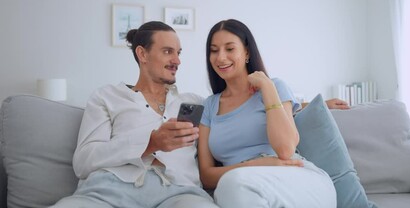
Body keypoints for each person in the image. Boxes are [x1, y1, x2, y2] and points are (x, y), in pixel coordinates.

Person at [50, 21, 218, 208]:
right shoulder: (107, 97)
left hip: (179, 193)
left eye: (178, 53)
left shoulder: (196, 103)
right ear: (142, 54)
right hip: (110, 191)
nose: (177, 61)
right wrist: (150, 143)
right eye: (168, 51)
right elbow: (83, 162)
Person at [198, 19, 338, 208]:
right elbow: (206, 176)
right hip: (241, 184)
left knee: (232, 186)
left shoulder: (274, 87)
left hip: (296, 179)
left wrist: (267, 86)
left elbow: (286, 150)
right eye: (214, 50)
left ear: (246, 51)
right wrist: (253, 166)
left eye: (229, 49)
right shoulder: (210, 105)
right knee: (230, 187)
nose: (220, 57)